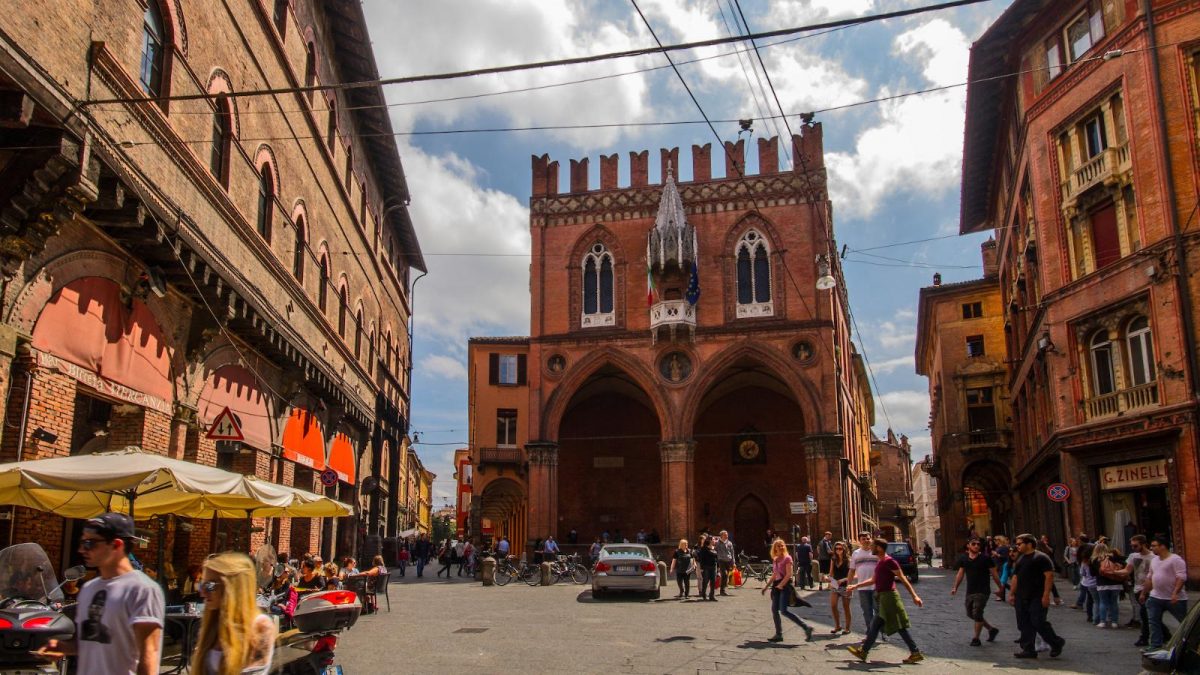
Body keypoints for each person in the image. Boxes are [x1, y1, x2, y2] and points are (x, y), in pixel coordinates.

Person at [37, 513, 164, 675]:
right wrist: (64, 647)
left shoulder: (142, 590)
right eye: (82, 542)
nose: (81, 549)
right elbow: (94, 643)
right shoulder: (89, 589)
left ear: (116, 545)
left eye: (90, 543)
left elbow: (149, 655)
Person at [190, 552, 277, 675]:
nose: (202, 593)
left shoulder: (260, 626)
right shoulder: (212, 622)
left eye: (209, 586)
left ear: (231, 588)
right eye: (201, 585)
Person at [846, 538, 924, 664]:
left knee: (896, 625)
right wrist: (856, 586)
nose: (870, 548)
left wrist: (914, 596)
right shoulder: (880, 561)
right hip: (883, 597)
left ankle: (914, 652)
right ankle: (864, 651)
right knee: (876, 626)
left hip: (890, 597)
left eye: (872, 546)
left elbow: (903, 579)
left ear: (879, 548)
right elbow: (873, 580)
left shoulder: (889, 561)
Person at [1008, 533, 1065, 659]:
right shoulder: (1020, 559)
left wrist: (1046, 595)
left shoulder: (1041, 558)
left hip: (1037, 596)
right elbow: (1015, 577)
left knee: (1038, 621)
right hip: (1021, 596)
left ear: (1029, 544)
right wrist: (1012, 593)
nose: (1017, 546)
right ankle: (1028, 649)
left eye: (1019, 544)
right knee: (1024, 623)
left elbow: (1049, 576)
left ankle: (1056, 642)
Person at [951, 537, 1003, 646]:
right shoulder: (964, 559)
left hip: (983, 590)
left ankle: (976, 638)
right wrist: (955, 587)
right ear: (968, 546)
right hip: (970, 590)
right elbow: (960, 573)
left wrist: (1000, 587)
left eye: (978, 544)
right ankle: (991, 629)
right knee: (970, 614)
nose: (976, 546)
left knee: (977, 612)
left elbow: (994, 574)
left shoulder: (986, 559)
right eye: (973, 544)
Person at [761, 538, 813, 643]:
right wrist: (766, 587)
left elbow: (789, 574)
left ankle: (806, 627)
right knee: (775, 610)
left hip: (785, 587)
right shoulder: (775, 559)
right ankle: (778, 634)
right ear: (774, 548)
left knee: (783, 611)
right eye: (778, 546)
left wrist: (781, 585)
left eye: (782, 545)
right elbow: (774, 575)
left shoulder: (787, 558)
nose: (781, 547)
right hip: (777, 586)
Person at [1141, 536, 1188, 650]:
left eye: (1154, 546)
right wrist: (1144, 593)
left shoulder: (1175, 559)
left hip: (1175, 598)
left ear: (1163, 546)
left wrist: (1175, 592)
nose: (1151, 548)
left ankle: (1189, 643)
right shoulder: (1154, 560)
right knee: (1153, 621)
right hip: (1156, 596)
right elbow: (1150, 577)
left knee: (1185, 622)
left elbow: (1181, 577)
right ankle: (1155, 644)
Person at [848, 532, 880, 638]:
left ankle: (881, 630)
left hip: (877, 586)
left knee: (878, 610)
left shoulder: (876, 552)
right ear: (860, 541)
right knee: (866, 611)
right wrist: (849, 585)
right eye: (863, 539)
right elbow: (852, 570)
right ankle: (870, 632)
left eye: (868, 538)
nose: (866, 540)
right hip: (862, 587)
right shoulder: (856, 553)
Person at [1125, 535, 1154, 647]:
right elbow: (1127, 570)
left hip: (1149, 589)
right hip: (1138, 589)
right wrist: (1112, 572)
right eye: (1131, 545)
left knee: (1145, 614)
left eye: (1135, 545)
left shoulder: (1153, 558)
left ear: (1143, 544)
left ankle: (1144, 638)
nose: (1133, 548)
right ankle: (1166, 636)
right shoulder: (1133, 556)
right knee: (1149, 614)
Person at [1093, 542, 1127, 628]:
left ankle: (1102, 621)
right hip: (1116, 583)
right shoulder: (1114, 557)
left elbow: (1092, 573)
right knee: (1114, 602)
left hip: (1102, 584)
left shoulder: (1096, 559)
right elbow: (1124, 562)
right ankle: (1114, 622)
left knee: (1103, 602)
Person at [828, 541, 852, 635]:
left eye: (840, 549)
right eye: (836, 549)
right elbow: (831, 573)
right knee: (833, 606)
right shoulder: (833, 559)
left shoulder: (848, 560)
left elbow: (853, 575)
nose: (838, 550)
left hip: (846, 585)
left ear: (844, 549)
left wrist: (843, 580)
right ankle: (837, 626)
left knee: (846, 607)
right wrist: (829, 580)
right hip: (835, 585)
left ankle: (847, 628)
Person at [1076, 542, 1098, 621]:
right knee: (1097, 601)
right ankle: (1097, 617)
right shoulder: (1096, 560)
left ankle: (1090, 616)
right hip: (1096, 582)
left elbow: (1082, 573)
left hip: (1087, 582)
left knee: (1090, 599)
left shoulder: (1084, 562)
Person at [697, 535, 718, 601]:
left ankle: (712, 596)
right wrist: (701, 568)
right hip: (706, 567)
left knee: (713, 582)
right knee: (705, 581)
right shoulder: (704, 548)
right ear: (710, 540)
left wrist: (719, 568)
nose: (715, 541)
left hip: (713, 567)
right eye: (714, 539)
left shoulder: (714, 548)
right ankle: (704, 595)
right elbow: (701, 559)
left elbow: (717, 559)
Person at [715, 530, 735, 596]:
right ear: (721, 535)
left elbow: (732, 553)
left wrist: (733, 562)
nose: (727, 536)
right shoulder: (717, 543)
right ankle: (722, 590)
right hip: (721, 560)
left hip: (728, 560)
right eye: (725, 535)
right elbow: (715, 550)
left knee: (726, 575)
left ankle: (723, 590)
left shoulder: (729, 543)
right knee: (724, 574)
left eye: (727, 535)